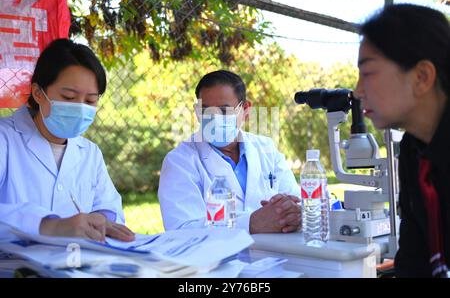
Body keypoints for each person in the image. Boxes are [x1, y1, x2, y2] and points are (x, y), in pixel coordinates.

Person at [0, 39, 135, 242]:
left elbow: (109, 206)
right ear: (38, 93)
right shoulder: (5, 140)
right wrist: (50, 226)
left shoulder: (90, 153)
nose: (80, 108)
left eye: (90, 100)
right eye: (69, 97)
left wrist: (103, 220)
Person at [353, 4, 450, 277]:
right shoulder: (413, 150)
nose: (358, 91)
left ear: (422, 77)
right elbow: (413, 261)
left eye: (368, 73)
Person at [158, 70, 301, 234]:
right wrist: (250, 223)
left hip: (276, 253)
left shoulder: (266, 148)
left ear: (245, 110)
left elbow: (296, 202)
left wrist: (293, 215)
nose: (214, 119)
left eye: (224, 110)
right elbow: (182, 230)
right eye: (206, 111)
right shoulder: (180, 161)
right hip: (218, 259)